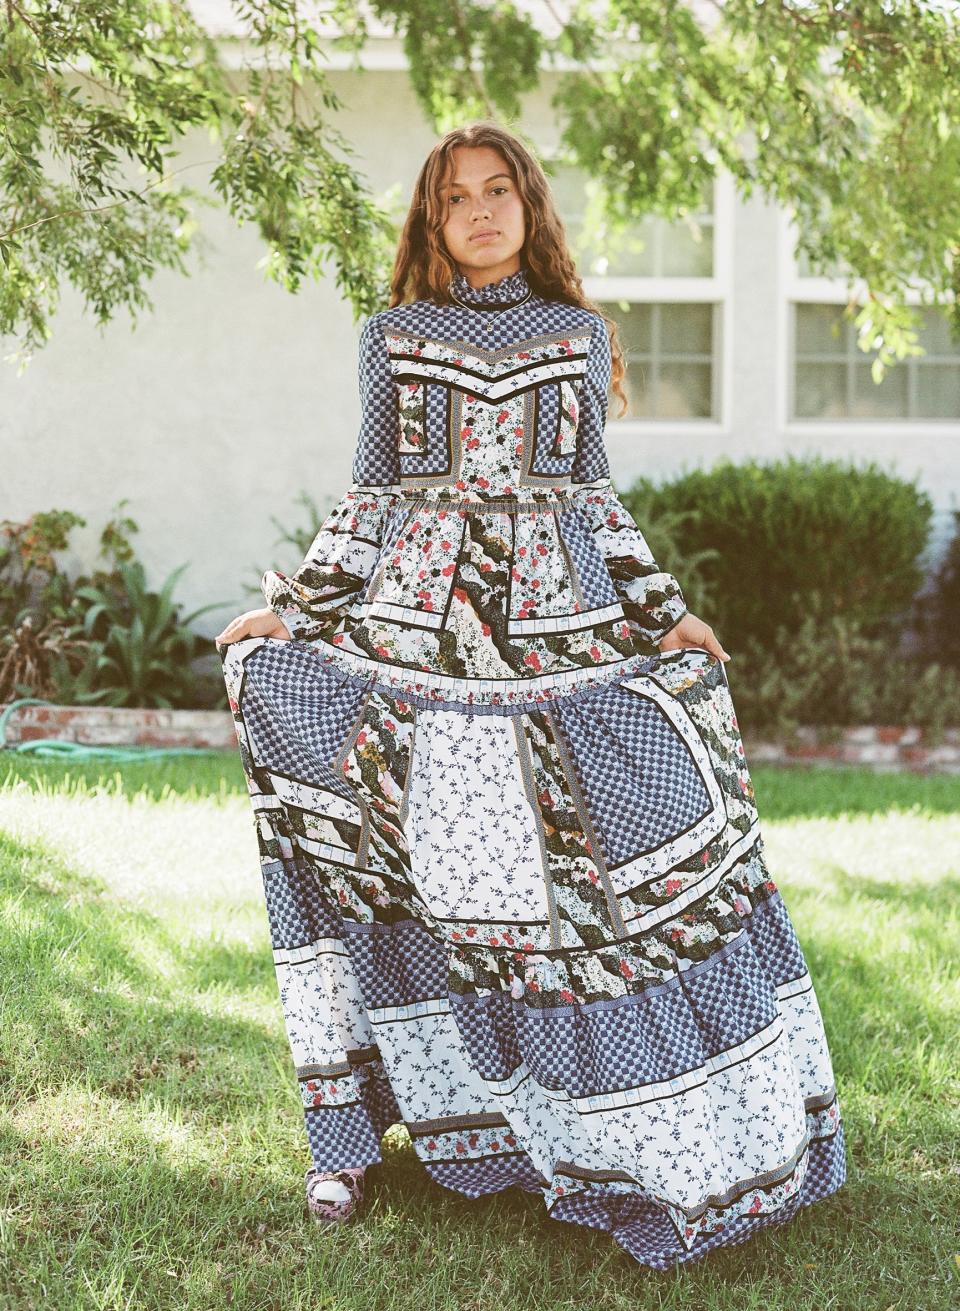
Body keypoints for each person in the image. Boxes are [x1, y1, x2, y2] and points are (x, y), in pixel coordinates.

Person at [214, 121, 846, 1269]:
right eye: (458, 198)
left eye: (499, 191)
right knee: (407, 866)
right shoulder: (393, 338)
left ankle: (623, 1131)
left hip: (556, 645)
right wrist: (297, 617)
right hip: (414, 644)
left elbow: (594, 503)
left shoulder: (576, 336)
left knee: (588, 884)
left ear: (529, 206)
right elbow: (369, 500)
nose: (482, 212)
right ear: (435, 223)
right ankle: (352, 1132)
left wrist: (664, 613)